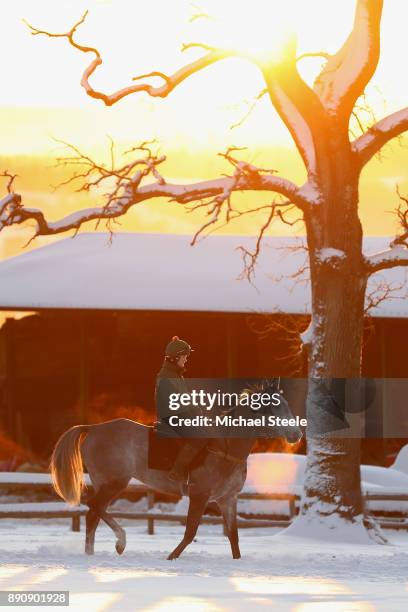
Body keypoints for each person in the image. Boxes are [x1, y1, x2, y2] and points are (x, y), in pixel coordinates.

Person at [155, 336, 207, 482]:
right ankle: (177, 471)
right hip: (171, 417)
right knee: (199, 438)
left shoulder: (176, 375)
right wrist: (195, 413)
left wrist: (199, 410)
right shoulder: (167, 376)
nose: (186, 360)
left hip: (179, 414)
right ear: (175, 358)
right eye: (184, 357)